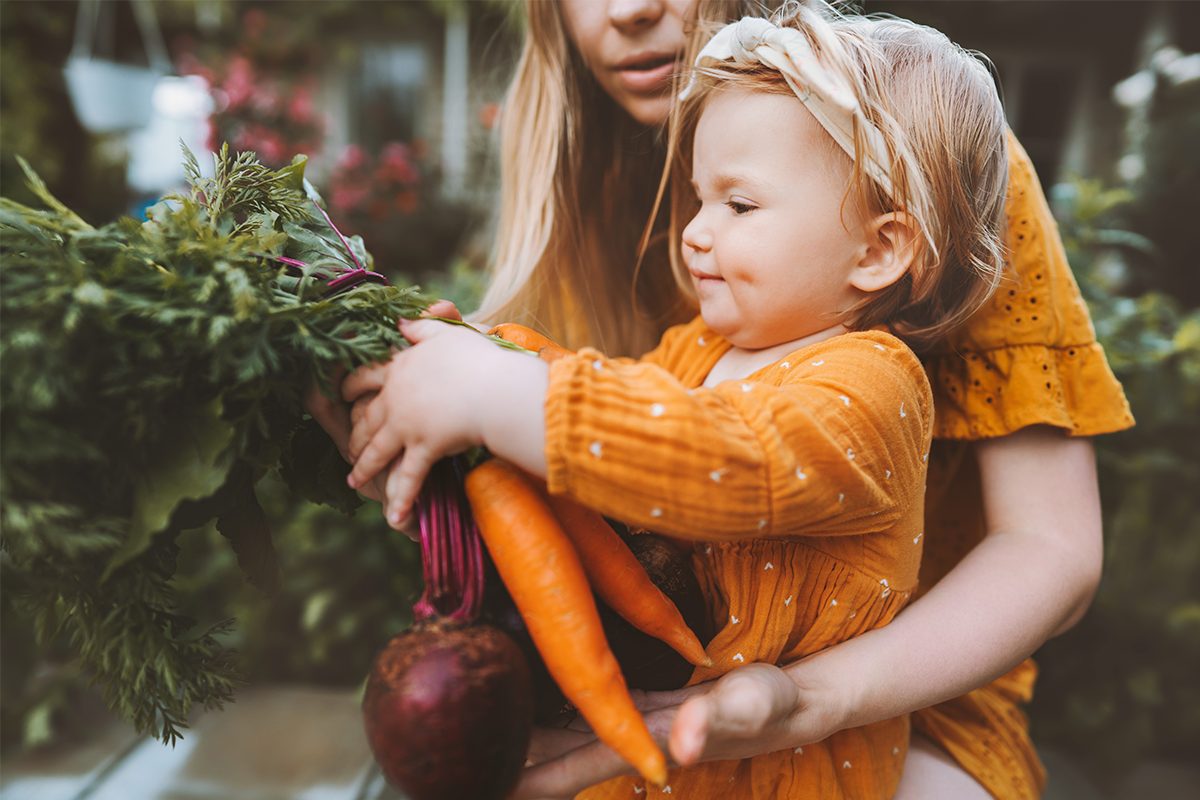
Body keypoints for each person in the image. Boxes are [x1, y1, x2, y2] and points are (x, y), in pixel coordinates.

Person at [308, 0, 1134, 797]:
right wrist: (451, 385)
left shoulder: (874, 376)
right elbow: (618, 408)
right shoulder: (709, 341)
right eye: (698, 199)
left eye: (737, 205)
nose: (695, 232)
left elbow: (725, 456)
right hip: (677, 715)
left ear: (883, 248)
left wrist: (500, 394)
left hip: (833, 739)